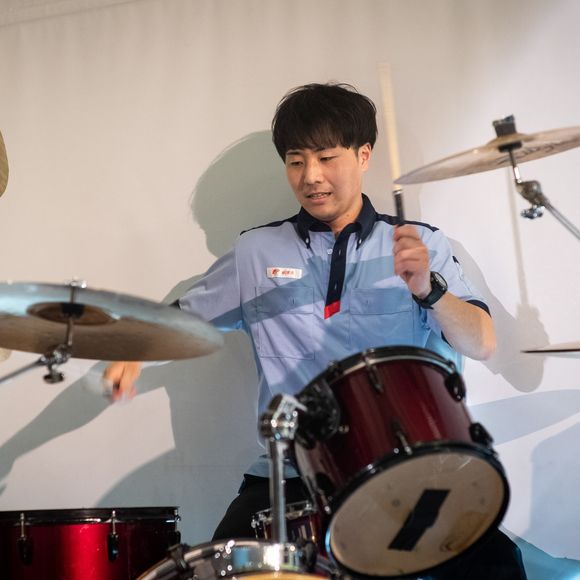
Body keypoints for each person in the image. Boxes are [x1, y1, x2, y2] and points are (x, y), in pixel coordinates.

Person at [104, 83, 526, 579]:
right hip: (288, 477)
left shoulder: (418, 244)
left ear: (363, 155)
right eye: (296, 161)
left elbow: (482, 342)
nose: (311, 177)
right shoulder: (255, 253)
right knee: (215, 570)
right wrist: (132, 354)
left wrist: (427, 289)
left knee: (498, 564)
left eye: (326, 158)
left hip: (403, 472)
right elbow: (178, 321)